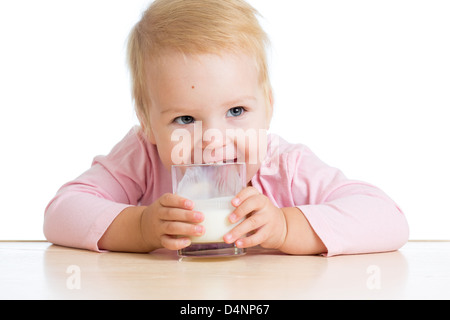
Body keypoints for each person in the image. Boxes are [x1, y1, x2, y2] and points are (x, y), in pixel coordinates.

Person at [44, 0, 409, 256]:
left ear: (267, 108)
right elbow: (61, 213)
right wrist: (139, 227)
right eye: (185, 120)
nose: (213, 141)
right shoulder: (143, 154)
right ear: (149, 125)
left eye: (236, 110)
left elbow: (387, 219)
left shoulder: (282, 166)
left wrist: (285, 226)